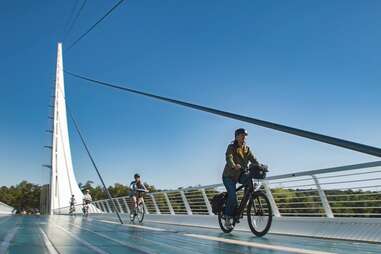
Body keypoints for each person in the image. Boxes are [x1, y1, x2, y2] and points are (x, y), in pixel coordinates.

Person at [222, 128, 260, 229]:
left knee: (249, 184)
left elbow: (254, 159)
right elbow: (228, 157)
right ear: (237, 136)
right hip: (229, 176)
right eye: (242, 135)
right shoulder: (231, 147)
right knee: (233, 196)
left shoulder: (246, 149)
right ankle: (227, 218)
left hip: (239, 175)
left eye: (245, 135)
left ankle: (243, 205)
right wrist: (234, 165)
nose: (244, 137)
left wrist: (260, 166)